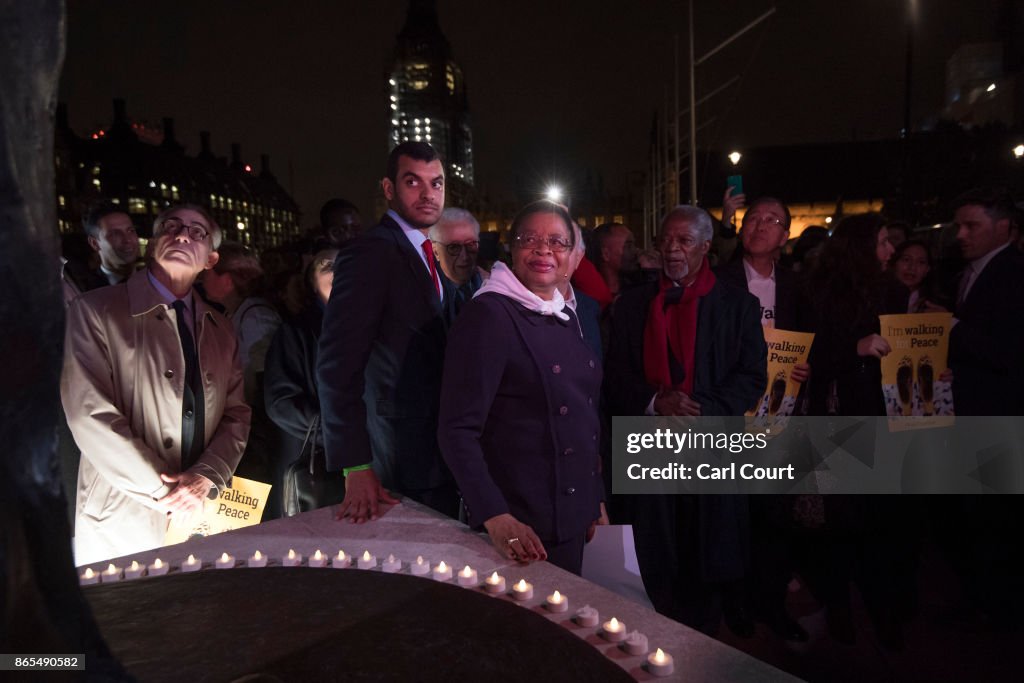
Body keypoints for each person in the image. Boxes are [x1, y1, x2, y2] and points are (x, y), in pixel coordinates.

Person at [605, 204, 766, 635]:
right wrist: (656, 403)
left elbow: (752, 376)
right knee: (655, 547)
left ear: (706, 247)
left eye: (685, 241)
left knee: (707, 547)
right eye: (666, 240)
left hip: (710, 441)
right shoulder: (633, 304)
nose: (673, 250)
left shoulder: (739, 306)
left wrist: (699, 410)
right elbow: (615, 375)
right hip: (649, 442)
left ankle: (704, 642)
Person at [62, 204, 250, 565]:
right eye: (171, 226)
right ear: (152, 244)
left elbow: (237, 414)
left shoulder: (221, 328)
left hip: (199, 513)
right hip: (123, 510)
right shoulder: (95, 311)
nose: (182, 234)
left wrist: (206, 478)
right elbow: (89, 414)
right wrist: (165, 491)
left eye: (197, 232)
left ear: (210, 259)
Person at [437, 200, 604, 575]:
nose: (544, 249)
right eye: (530, 238)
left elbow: (584, 413)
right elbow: (457, 430)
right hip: (521, 524)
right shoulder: (490, 315)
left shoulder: (563, 311)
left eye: (557, 242)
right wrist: (495, 515)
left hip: (570, 513)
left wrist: (593, 498)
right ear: (511, 247)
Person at [317, 141, 458, 522]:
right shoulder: (371, 253)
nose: (428, 194)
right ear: (388, 188)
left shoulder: (425, 252)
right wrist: (356, 463)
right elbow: (337, 362)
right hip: (394, 454)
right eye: (413, 182)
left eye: (437, 183)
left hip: (431, 451)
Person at [805, 213, 916, 648]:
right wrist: (855, 348)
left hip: (886, 422)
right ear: (860, 247)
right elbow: (809, 359)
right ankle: (838, 611)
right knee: (836, 523)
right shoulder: (818, 292)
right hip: (835, 421)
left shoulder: (893, 291)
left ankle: (884, 614)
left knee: (880, 523)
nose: (891, 251)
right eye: (883, 242)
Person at [714, 196, 811, 642]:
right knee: (732, 516)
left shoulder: (797, 287)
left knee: (775, 518)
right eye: (753, 218)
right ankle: (733, 604)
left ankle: (770, 603)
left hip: (779, 419)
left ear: (785, 235)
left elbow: (814, 341)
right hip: (732, 418)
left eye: (773, 220)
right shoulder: (719, 281)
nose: (760, 226)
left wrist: (807, 367)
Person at [264, 248, 342, 518]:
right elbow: (281, 403)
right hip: (314, 466)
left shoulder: (373, 328)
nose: (340, 271)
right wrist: (343, 436)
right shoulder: (294, 332)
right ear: (311, 281)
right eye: (328, 266)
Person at [430, 207, 483, 313]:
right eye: (454, 247)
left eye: (471, 244)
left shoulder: (492, 287)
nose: (465, 256)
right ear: (435, 251)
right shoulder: (423, 295)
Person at [81, 201, 141, 289]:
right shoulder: (84, 291)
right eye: (115, 234)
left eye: (131, 231)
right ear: (95, 243)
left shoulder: (157, 281)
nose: (127, 239)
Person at [892, 239, 947, 312]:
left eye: (921, 262)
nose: (912, 267)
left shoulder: (937, 304)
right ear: (895, 264)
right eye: (906, 259)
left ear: (927, 269)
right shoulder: (878, 300)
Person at [592, 222, 638, 298]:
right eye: (628, 246)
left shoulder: (638, 290)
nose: (635, 251)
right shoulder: (591, 297)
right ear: (605, 254)